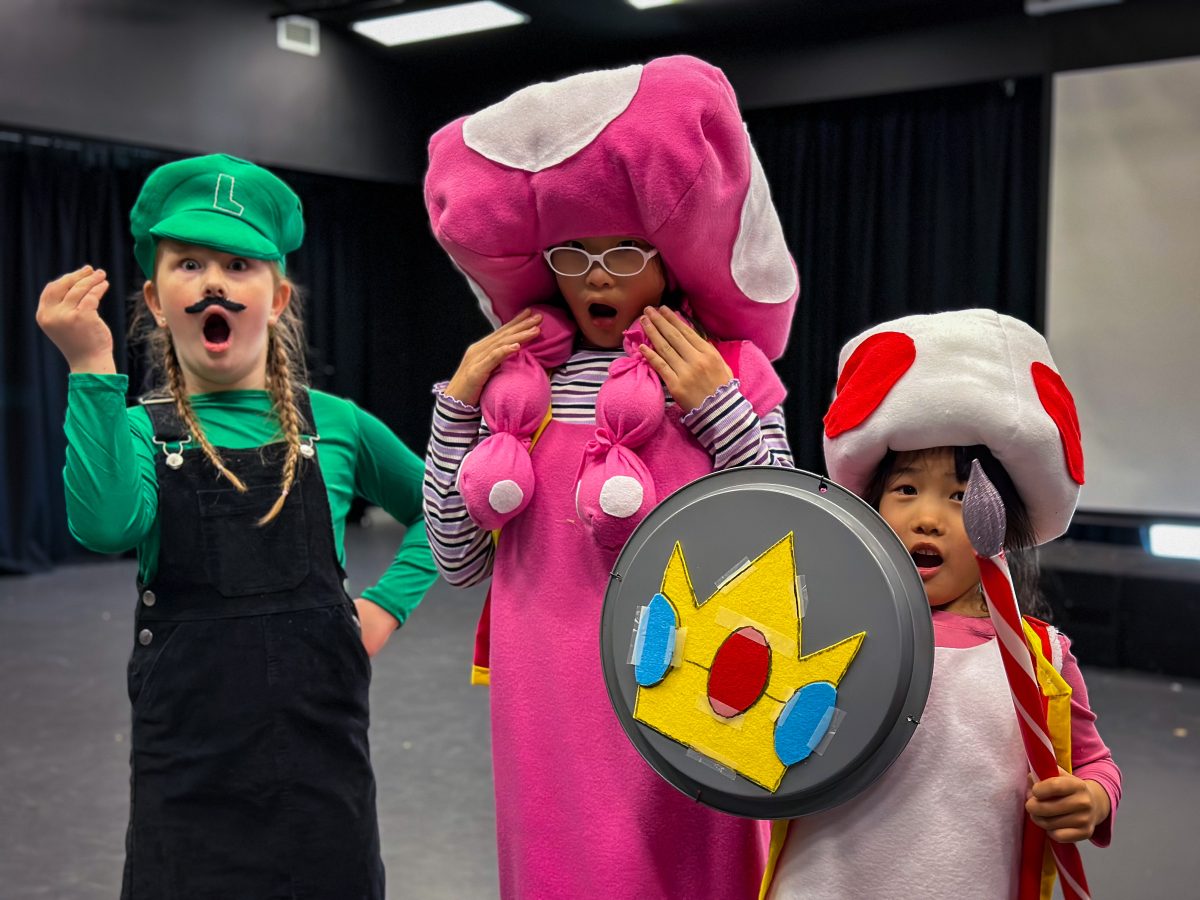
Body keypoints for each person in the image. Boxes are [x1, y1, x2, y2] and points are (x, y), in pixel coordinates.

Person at [422, 56, 800, 898]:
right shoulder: (520, 388)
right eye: (574, 252)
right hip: (547, 697)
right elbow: (457, 561)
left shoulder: (730, 366)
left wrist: (717, 407)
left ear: (670, 258)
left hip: (692, 689)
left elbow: (793, 544)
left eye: (626, 251)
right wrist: (458, 407)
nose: (598, 275)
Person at [35, 153, 437, 900]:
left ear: (277, 295)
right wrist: (91, 367)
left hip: (321, 766)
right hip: (187, 769)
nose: (214, 281)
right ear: (155, 300)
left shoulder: (338, 425)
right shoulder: (134, 428)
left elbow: (449, 509)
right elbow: (102, 523)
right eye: (189, 263)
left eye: (239, 263)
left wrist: (385, 606)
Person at [764, 309, 1122, 900]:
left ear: (1001, 525)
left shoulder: (1040, 659)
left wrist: (1090, 799)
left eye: (961, 495)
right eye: (906, 489)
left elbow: (1094, 766)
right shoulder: (819, 626)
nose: (928, 516)